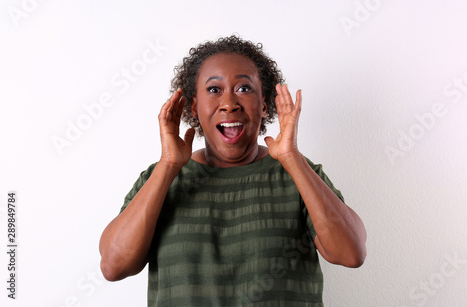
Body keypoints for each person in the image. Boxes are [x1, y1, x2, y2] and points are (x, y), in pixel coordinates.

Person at [99, 35, 367, 306]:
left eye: (244, 88)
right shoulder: (160, 179)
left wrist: (292, 158)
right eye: (214, 90)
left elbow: (351, 254)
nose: (229, 103)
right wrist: (168, 166)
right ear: (194, 106)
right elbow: (113, 266)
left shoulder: (298, 175)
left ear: (264, 105)